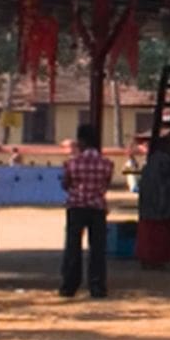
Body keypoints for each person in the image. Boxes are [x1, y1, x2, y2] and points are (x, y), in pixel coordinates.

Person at [60, 122, 114, 298]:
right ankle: (97, 286)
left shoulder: (71, 163)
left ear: (81, 141)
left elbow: (66, 184)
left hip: (76, 207)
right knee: (97, 248)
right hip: (97, 208)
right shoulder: (107, 164)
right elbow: (106, 184)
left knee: (73, 246)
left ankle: (69, 286)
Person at [135, 135, 170, 270]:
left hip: (147, 206)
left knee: (148, 234)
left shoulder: (149, 164)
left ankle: (147, 259)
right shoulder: (165, 163)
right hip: (160, 206)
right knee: (159, 235)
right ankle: (157, 259)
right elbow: (163, 186)